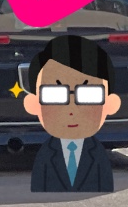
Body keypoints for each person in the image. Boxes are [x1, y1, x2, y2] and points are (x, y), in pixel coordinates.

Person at [22, 32, 121, 193]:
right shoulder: (45, 156)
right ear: (33, 104)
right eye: (55, 95)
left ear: (110, 103)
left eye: (89, 95)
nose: (72, 109)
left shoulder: (98, 155)